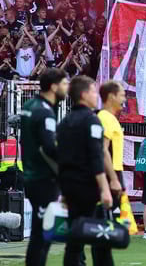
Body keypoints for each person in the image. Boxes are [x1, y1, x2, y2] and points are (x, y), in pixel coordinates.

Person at [56, 75, 113, 266]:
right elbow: (96, 156)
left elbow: (60, 159)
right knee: (101, 237)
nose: (96, 95)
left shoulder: (64, 123)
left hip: (70, 186)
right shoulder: (92, 121)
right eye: (93, 91)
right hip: (89, 187)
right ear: (83, 94)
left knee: (74, 239)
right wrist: (105, 188)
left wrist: (63, 191)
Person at [20, 67, 68, 266]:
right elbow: (49, 146)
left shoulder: (29, 105)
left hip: (32, 175)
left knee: (40, 233)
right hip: (43, 178)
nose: (67, 88)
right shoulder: (45, 112)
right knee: (43, 234)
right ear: (54, 86)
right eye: (65, 84)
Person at [96, 81, 126, 211]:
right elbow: (103, 149)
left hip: (114, 171)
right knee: (110, 221)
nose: (124, 99)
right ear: (111, 96)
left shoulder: (110, 118)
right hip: (110, 173)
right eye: (122, 95)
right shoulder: (105, 117)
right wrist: (113, 179)